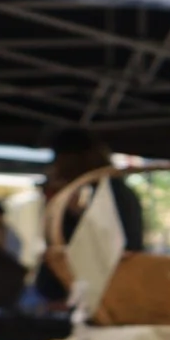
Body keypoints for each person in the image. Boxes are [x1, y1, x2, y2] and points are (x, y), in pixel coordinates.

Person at [29, 128, 143, 306]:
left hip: (91, 294)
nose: (55, 164)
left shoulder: (104, 191)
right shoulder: (109, 189)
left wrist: (74, 210)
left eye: (59, 157)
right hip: (82, 291)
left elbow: (110, 242)